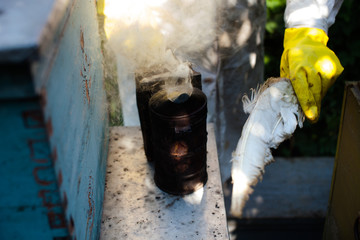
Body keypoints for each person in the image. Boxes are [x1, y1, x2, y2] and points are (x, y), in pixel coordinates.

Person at [192, 0, 344, 186]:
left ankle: (231, 175)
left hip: (241, 11)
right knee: (178, 103)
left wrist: (306, 28)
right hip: (173, 14)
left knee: (239, 96)